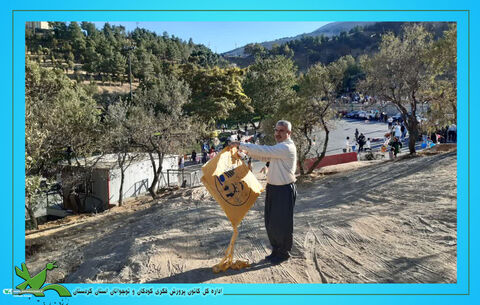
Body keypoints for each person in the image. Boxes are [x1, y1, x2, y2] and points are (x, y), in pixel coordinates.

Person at [230, 120, 297, 265]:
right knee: (271, 223)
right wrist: (245, 151)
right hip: (273, 188)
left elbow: (265, 151)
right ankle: (276, 250)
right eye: (276, 130)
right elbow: (264, 156)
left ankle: (284, 253)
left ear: (288, 133)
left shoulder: (287, 147)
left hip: (284, 189)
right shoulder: (279, 147)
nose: (278, 133)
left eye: (281, 131)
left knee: (282, 224)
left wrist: (241, 145)